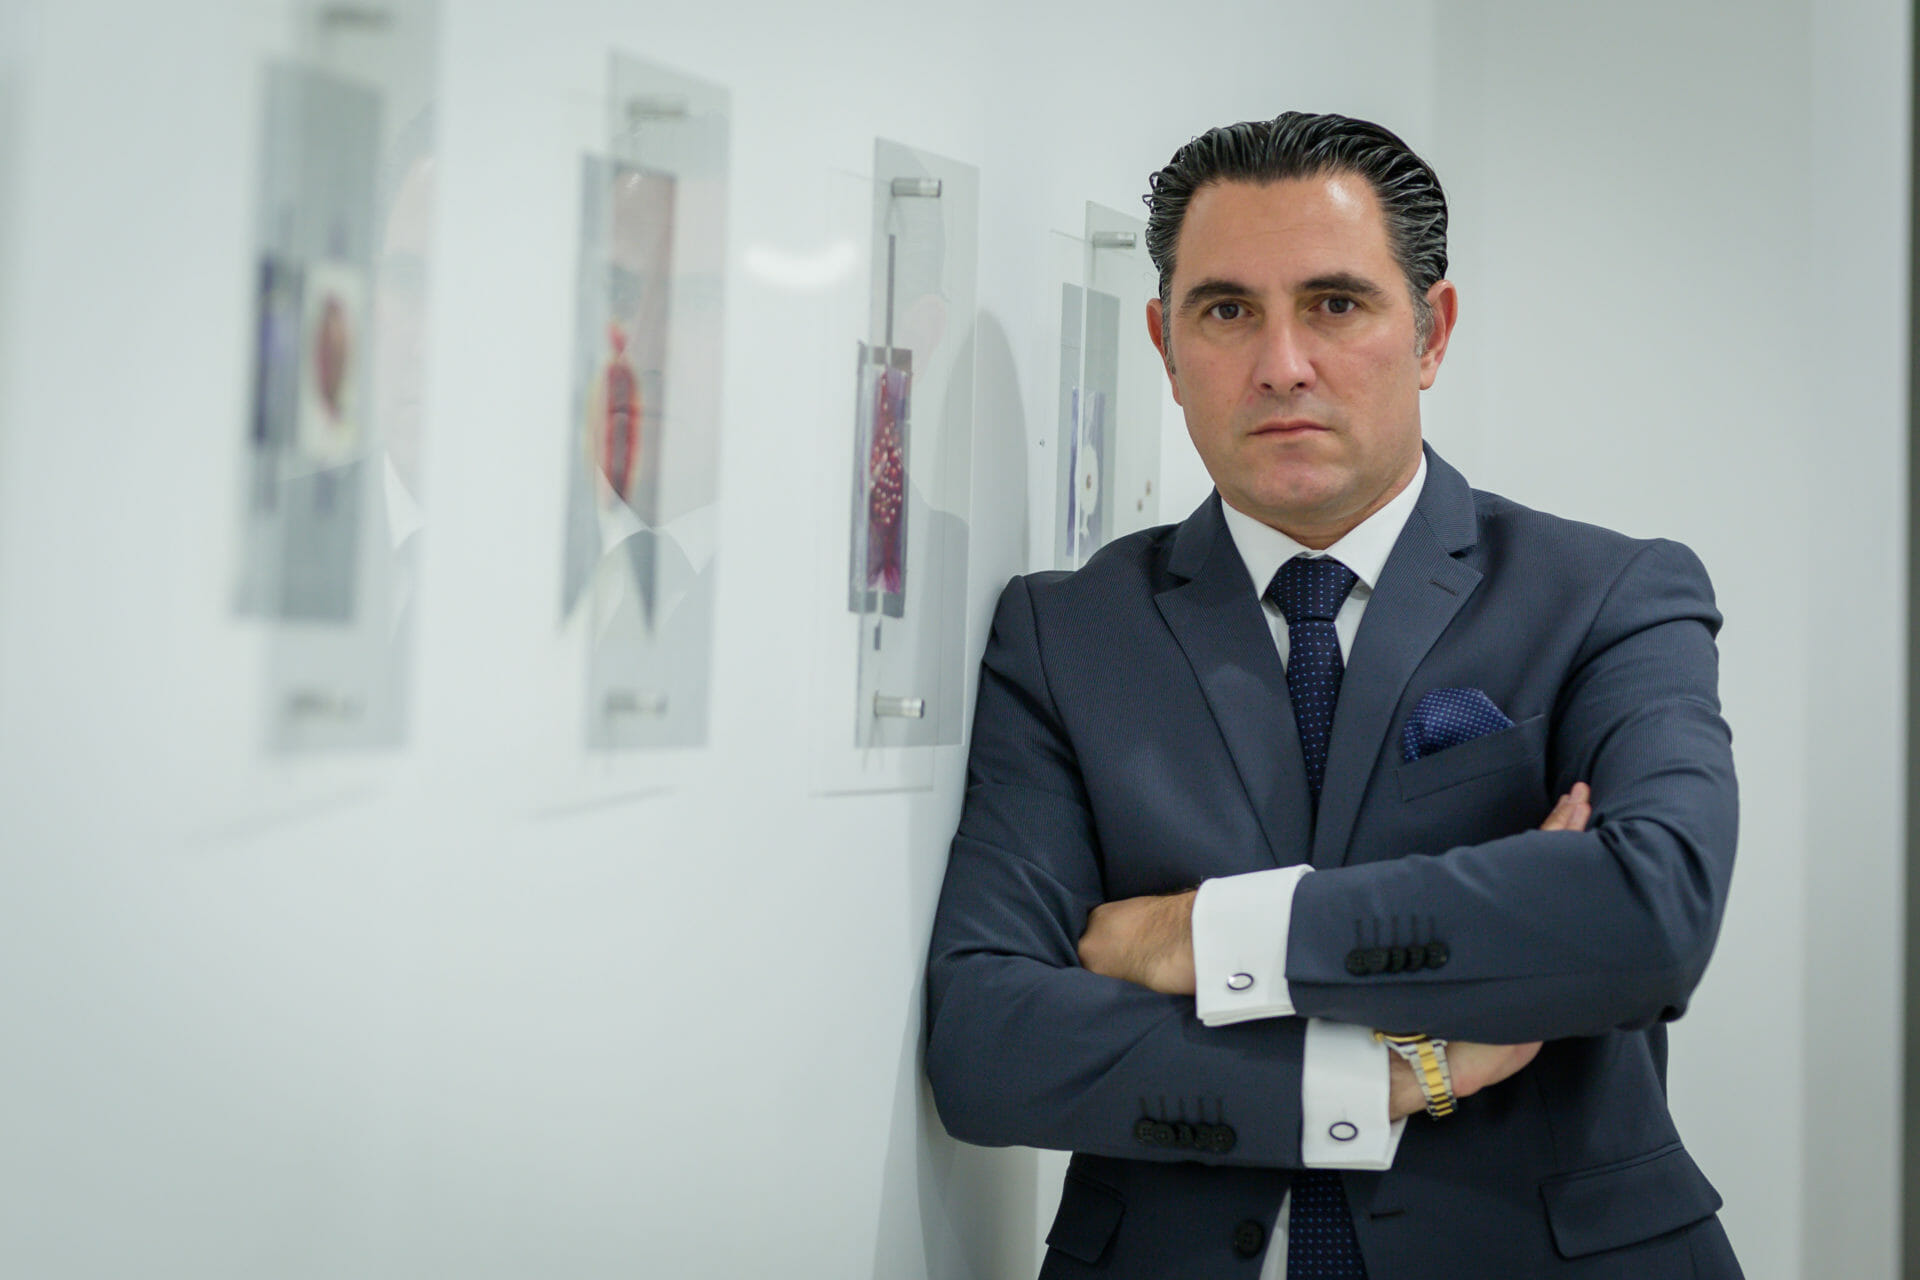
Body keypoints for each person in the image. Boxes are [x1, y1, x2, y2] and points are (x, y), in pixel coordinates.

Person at [924, 111, 1741, 1279]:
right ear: (1164, 343)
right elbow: (991, 1040)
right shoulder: (1066, 633)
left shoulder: (1608, 596)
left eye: (1336, 304)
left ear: (1432, 331)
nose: (1282, 364)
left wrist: (1204, 934)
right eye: (1226, 311)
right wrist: (1386, 1074)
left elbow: (1650, 915)